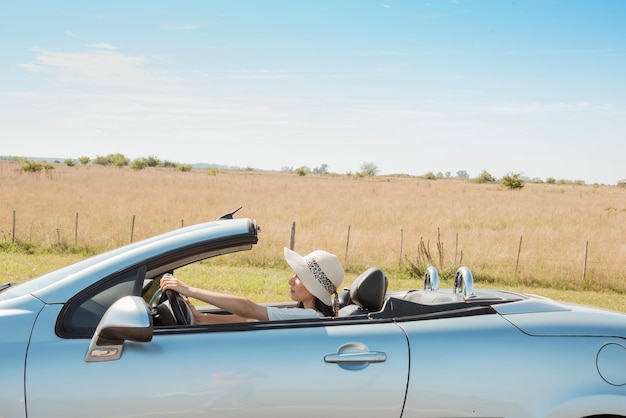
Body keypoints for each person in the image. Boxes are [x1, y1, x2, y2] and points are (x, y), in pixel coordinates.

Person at [159, 247, 345, 324]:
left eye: (298, 277)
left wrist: (189, 289)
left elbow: (248, 309)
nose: (291, 280)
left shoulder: (308, 317)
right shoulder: (306, 315)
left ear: (312, 287)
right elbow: (251, 320)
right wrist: (201, 318)